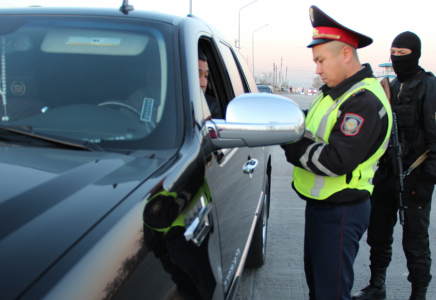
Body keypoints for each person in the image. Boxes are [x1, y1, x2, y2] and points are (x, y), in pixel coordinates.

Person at [281, 6, 392, 300]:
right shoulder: (334, 94)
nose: (317, 69)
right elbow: (306, 126)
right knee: (320, 289)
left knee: (330, 293)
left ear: (345, 54)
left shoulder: (363, 101)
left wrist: (290, 143)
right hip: (323, 207)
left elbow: (336, 160)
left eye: (320, 60)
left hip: (341, 211)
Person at [352, 32, 436, 300]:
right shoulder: (388, 87)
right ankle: (377, 286)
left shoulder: (429, 87)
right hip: (386, 174)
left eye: (403, 54)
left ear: (416, 54)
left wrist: (427, 182)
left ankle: (418, 294)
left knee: (415, 241)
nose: (397, 59)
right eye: (394, 53)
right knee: (377, 235)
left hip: (414, 176)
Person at [198, 51, 222, 119]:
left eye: (206, 76)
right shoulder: (170, 105)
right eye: (198, 75)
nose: (203, 84)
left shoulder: (212, 106)